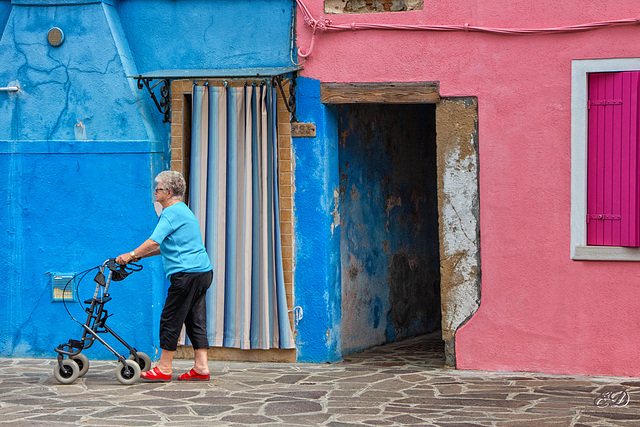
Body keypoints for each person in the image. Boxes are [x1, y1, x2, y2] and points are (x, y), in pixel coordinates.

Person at [116, 170, 213, 382]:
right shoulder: (183, 210)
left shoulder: (170, 213)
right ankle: (201, 366)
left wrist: (129, 255)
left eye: (158, 188)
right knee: (195, 318)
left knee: (170, 318)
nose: (155, 192)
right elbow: (167, 247)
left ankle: (165, 367)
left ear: (168, 192)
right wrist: (136, 257)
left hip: (185, 274)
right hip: (202, 272)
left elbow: (154, 242)